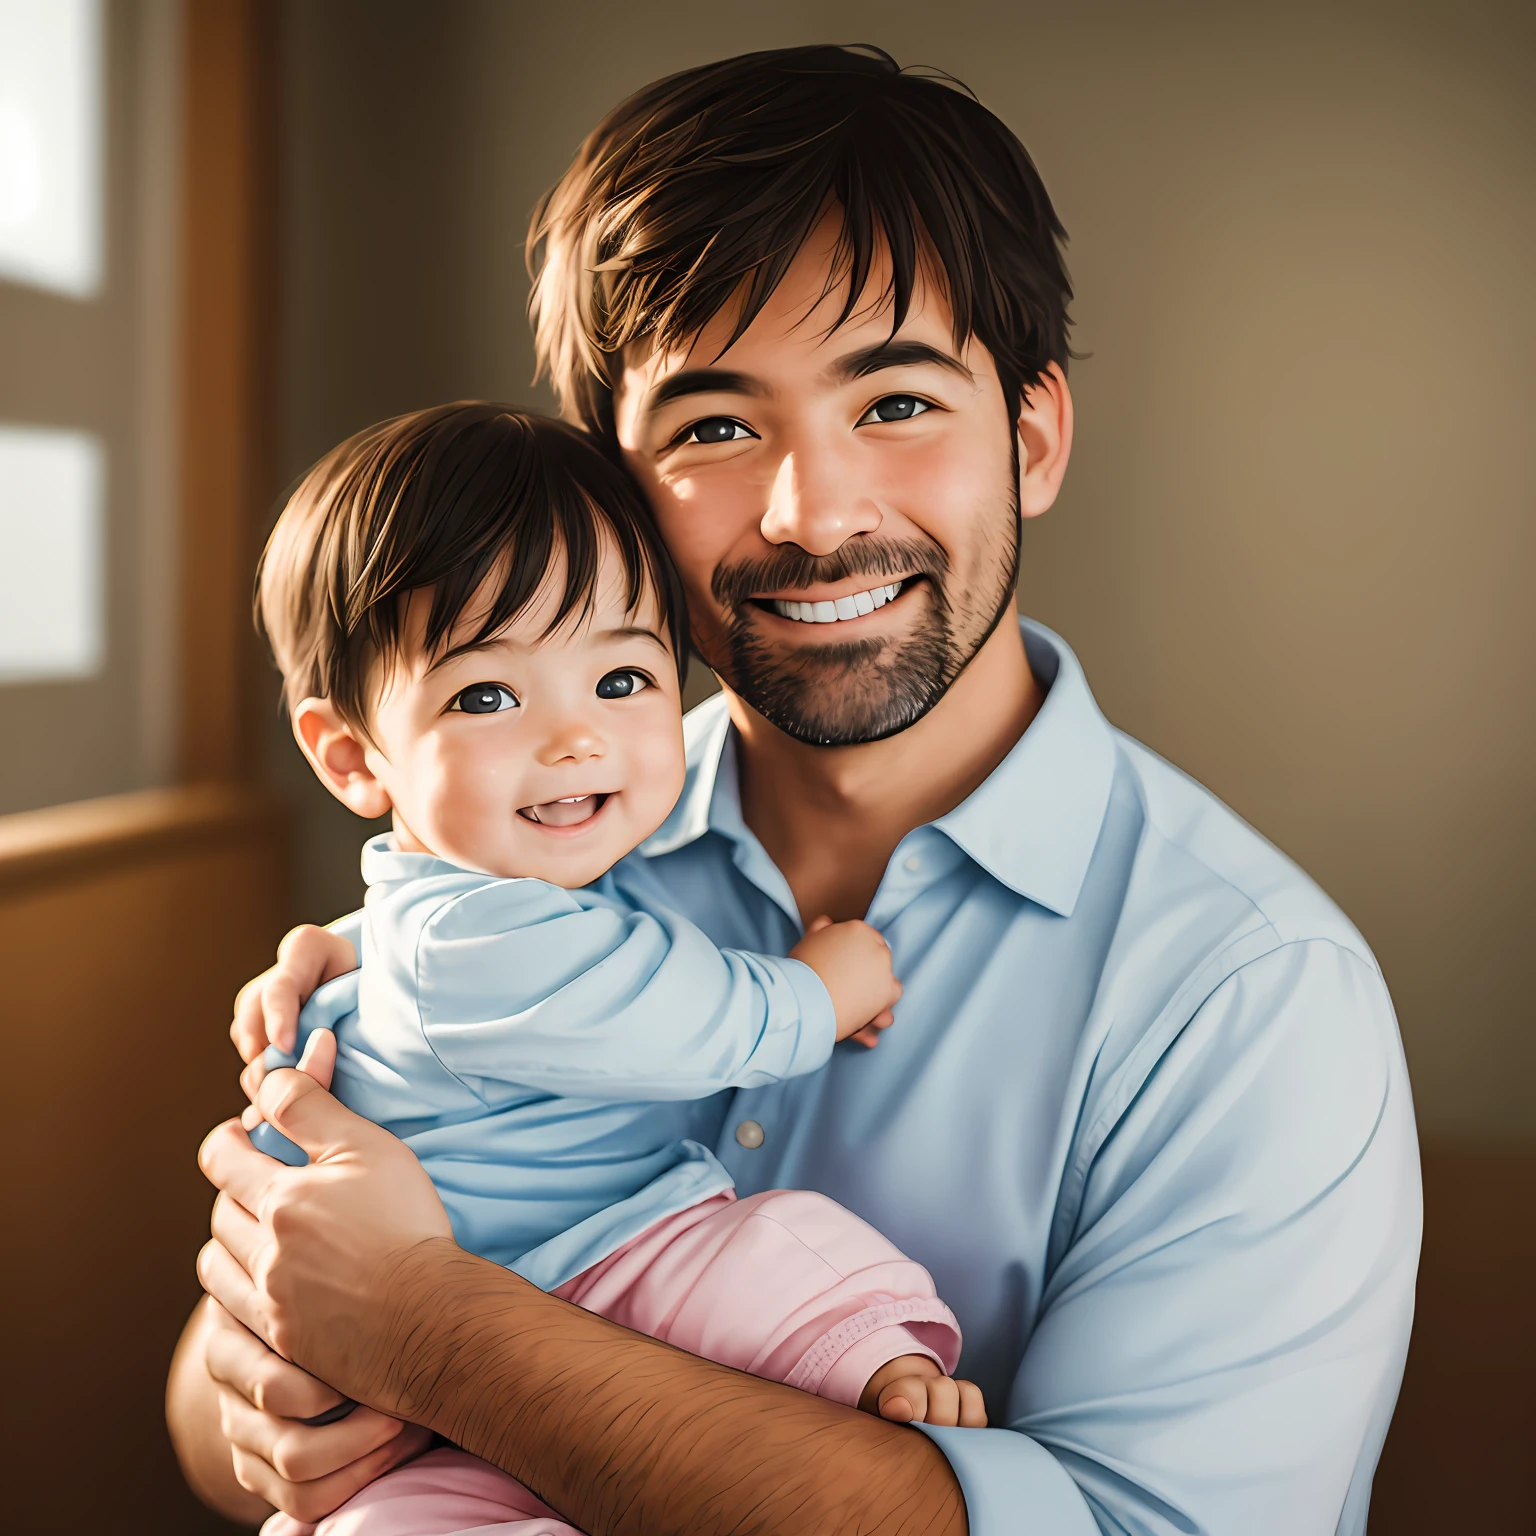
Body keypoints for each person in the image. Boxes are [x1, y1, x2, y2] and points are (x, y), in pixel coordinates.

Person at [170, 44, 1421, 1536]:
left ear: (1030, 439)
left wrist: (429, 1329)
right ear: (612, 492)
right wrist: (275, 1393)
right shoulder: (529, 829)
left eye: (893, 402)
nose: (812, 514)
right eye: (713, 426)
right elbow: (211, 1410)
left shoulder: (1252, 998)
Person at [240, 400, 982, 1534]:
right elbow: (690, 1016)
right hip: (573, 1265)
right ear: (353, 754)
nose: (574, 738)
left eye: (623, 680)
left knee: (768, 1257)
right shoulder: (489, 934)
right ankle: (865, 1363)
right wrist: (825, 990)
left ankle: (867, 1369)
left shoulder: (472, 904)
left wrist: (336, 945)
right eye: (487, 696)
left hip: (523, 1302)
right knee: (754, 1244)